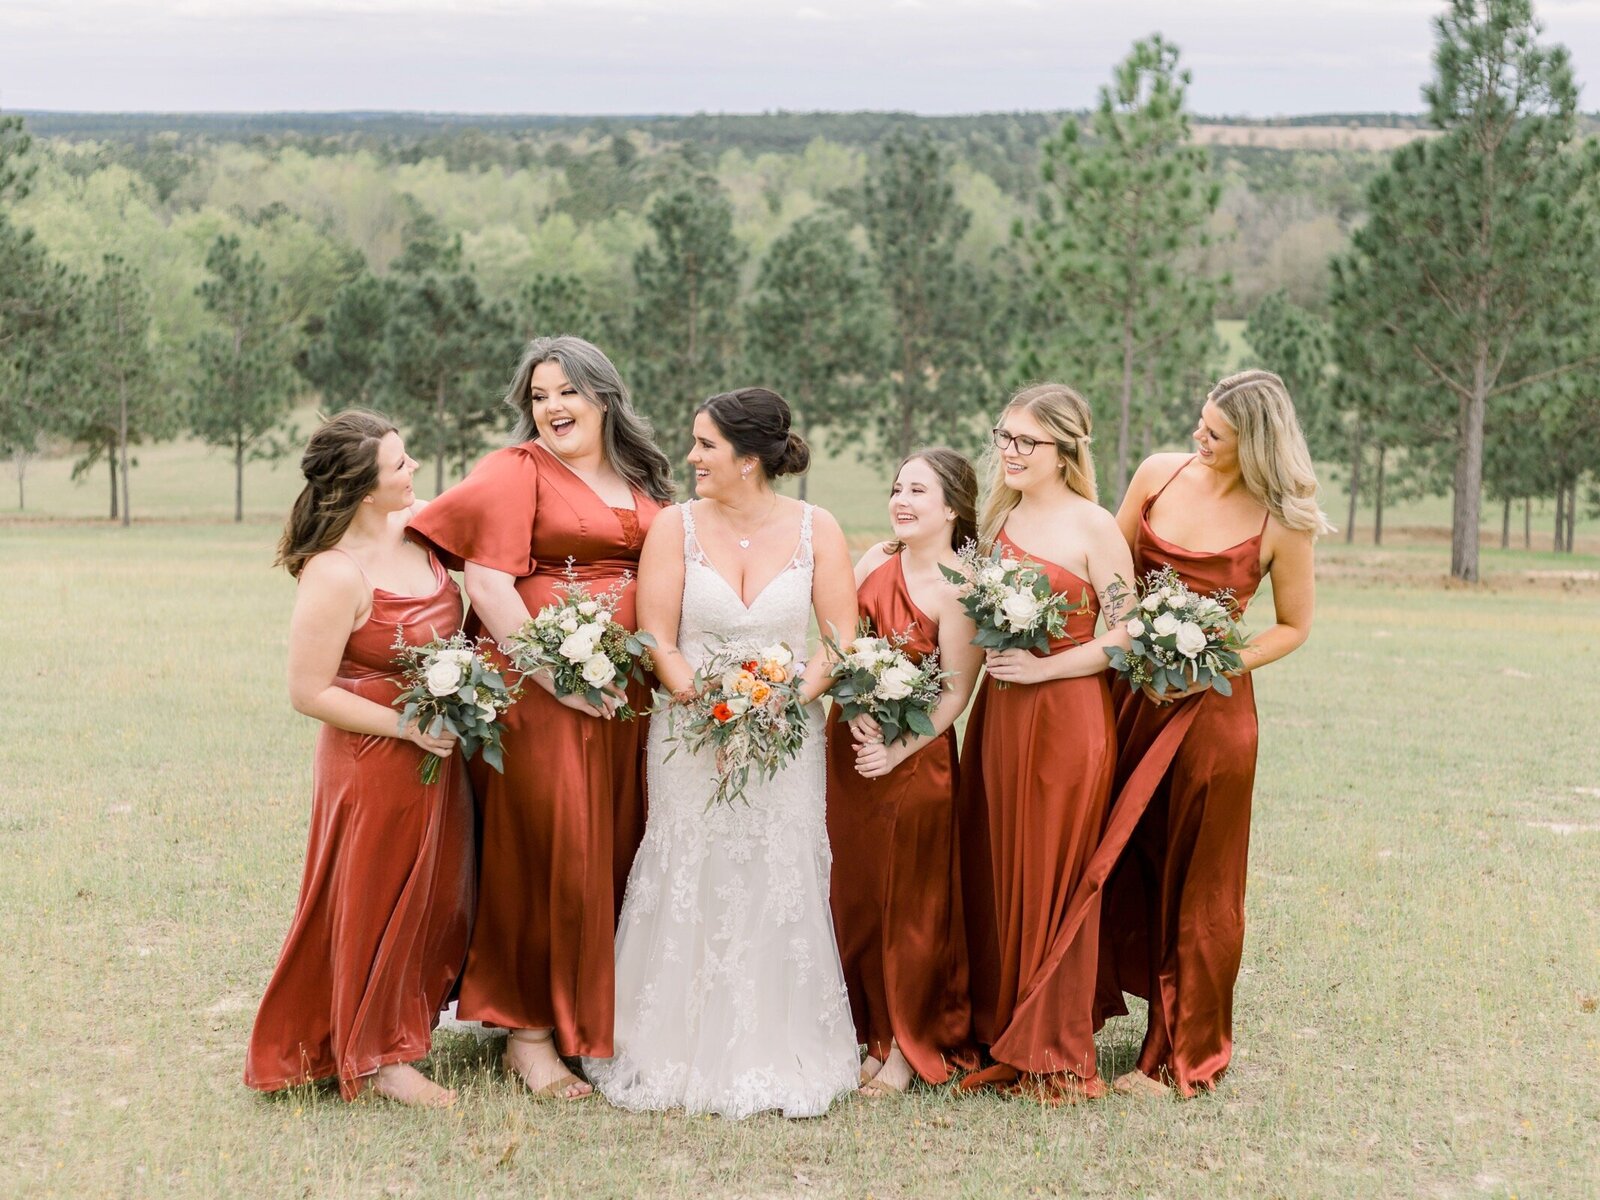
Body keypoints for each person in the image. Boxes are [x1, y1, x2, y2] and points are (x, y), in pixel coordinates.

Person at [407, 336, 673, 1100]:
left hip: (624, 694)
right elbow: (489, 586)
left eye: (567, 392)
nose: (552, 407)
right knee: (547, 847)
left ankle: (587, 1018)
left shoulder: (641, 477)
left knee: (615, 842)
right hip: (537, 693)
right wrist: (557, 679)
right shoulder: (515, 470)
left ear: (605, 397)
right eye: (539, 395)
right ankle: (526, 1033)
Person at [585, 387, 861, 1119]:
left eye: (706, 445)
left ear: (748, 458)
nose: (693, 457)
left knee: (777, 865)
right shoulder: (674, 527)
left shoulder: (817, 528)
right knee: (689, 862)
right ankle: (665, 1041)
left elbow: (837, 643)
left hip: (787, 732)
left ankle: (781, 1039)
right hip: (687, 732)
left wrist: (778, 705)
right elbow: (659, 640)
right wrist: (709, 705)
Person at [1095, 368, 1326, 1099]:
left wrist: (1214, 663)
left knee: (1198, 879)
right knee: (1103, 848)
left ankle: (1172, 1055)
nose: (1199, 436)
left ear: (1253, 444)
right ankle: (1071, 1018)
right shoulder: (1158, 475)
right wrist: (1125, 637)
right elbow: (1109, 572)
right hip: (1127, 694)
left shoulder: (1282, 521)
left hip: (1213, 714)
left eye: (1216, 433)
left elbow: (1294, 627)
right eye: (1200, 420)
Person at [245, 410, 472, 1109]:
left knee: (432, 896)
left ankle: (405, 1026)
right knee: (375, 896)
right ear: (364, 488)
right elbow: (307, 691)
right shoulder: (334, 572)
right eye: (399, 465)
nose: (413, 470)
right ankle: (376, 1058)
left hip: (440, 752)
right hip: (373, 758)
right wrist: (407, 727)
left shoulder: (426, 526)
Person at [956, 384, 1136, 1104]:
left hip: (1068, 716)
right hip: (1001, 719)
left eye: (1026, 441)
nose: (1010, 451)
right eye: (1004, 436)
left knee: (1055, 871)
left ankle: (1054, 1045)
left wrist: (1044, 667)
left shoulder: (1096, 526)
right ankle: (1005, 1027)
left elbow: (1123, 635)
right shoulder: (996, 521)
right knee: (1003, 863)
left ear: (1067, 450)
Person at [825, 448, 984, 1097]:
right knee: (856, 896)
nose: (902, 499)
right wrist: (854, 707)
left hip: (913, 762)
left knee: (908, 905)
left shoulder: (960, 588)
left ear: (952, 505)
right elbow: (840, 646)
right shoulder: (871, 563)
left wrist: (894, 749)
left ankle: (905, 1044)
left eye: (918, 489)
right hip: (850, 751)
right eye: (897, 488)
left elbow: (953, 695)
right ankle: (870, 1035)